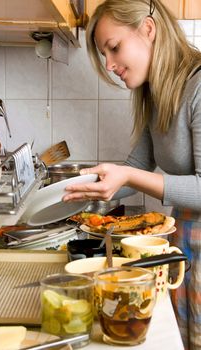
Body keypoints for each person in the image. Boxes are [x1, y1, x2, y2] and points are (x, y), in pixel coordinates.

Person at [63, 0, 201, 349]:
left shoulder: (198, 88)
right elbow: (135, 168)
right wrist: (72, 190)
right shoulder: (158, 93)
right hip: (183, 245)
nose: (109, 65)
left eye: (114, 47)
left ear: (148, 30)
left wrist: (126, 176)